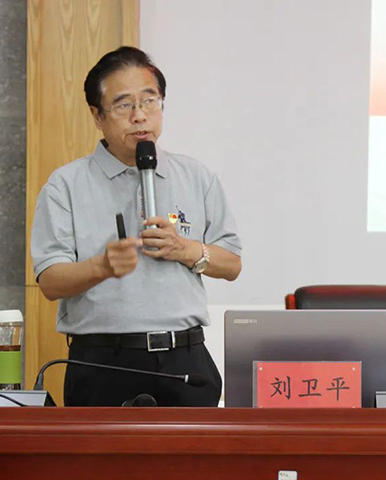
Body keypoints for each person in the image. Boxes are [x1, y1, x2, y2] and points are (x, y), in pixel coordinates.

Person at [30, 46, 242, 407]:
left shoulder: (196, 176)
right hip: (102, 362)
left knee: (194, 449)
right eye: (124, 105)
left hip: (184, 359)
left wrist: (186, 249)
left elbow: (231, 264)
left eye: (149, 101)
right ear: (97, 115)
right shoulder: (66, 184)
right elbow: (50, 281)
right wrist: (101, 266)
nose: (140, 116)